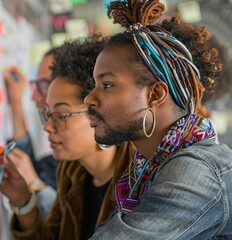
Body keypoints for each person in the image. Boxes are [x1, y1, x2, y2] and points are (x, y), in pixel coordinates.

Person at [84, 1, 232, 239]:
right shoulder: (147, 166)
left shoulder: (197, 172)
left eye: (108, 85)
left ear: (155, 94)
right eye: (95, 85)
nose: (89, 99)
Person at [0, 36, 135, 240]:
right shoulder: (71, 172)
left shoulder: (138, 176)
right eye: (47, 114)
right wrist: (22, 200)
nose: (48, 127)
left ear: (99, 112)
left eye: (61, 116)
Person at [2, 49, 61, 218]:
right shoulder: (61, 164)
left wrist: (34, 184)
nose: (34, 97)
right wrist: (15, 101)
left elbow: (65, 226)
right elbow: (31, 167)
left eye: (44, 85)